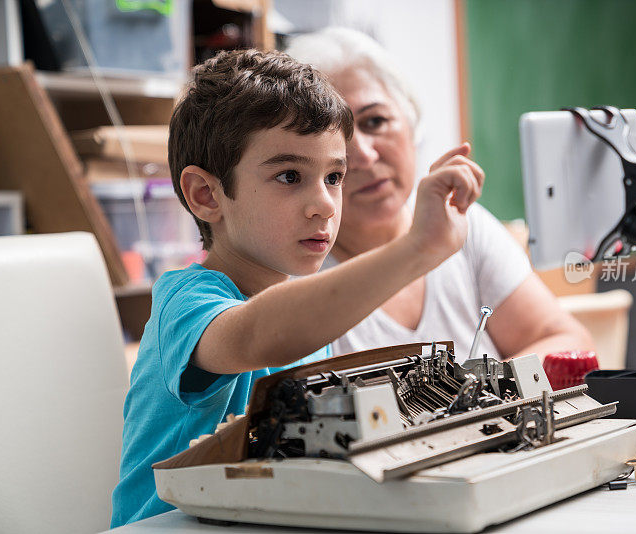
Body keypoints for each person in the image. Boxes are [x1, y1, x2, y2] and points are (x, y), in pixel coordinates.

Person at [110, 49, 483, 526]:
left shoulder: (304, 313)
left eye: (334, 176)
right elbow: (258, 335)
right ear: (207, 195)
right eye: (290, 176)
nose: (325, 204)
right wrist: (416, 250)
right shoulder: (187, 302)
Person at [286, 28, 594, 361]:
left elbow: (568, 342)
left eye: (375, 121)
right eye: (337, 137)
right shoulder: (296, 273)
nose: (364, 155)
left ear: (412, 121)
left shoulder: (459, 223)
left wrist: (475, 400)